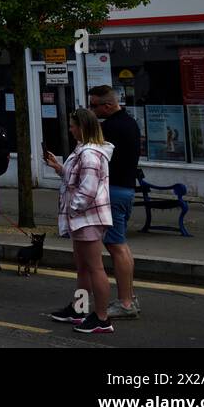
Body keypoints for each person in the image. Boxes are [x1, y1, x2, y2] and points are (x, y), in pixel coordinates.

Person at [45, 108, 115, 334]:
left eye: (73, 125)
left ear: (82, 127)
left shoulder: (90, 154)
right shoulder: (84, 151)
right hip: (83, 218)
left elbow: (88, 190)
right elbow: (78, 179)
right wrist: (60, 168)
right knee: (83, 268)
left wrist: (73, 210)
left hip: (87, 218)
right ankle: (80, 309)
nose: (70, 129)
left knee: (94, 268)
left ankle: (102, 318)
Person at [89, 85, 142, 320]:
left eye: (94, 106)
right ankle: (129, 296)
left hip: (113, 191)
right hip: (126, 189)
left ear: (108, 105)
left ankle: (125, 302)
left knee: (116, 246)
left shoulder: (110, 128)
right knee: (121, 245)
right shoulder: (130, 123)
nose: (92, 110)